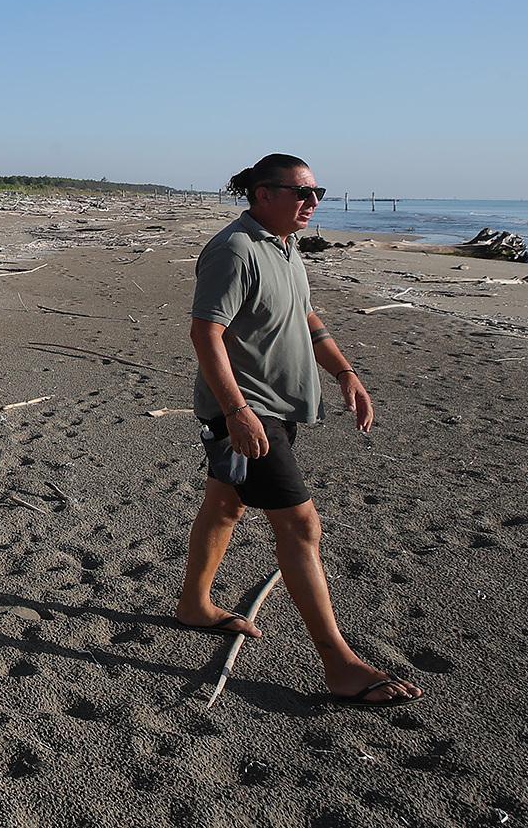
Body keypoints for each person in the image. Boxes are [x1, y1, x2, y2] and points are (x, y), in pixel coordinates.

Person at [173, 153, 425, 708]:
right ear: (263, 193)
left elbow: (307, 318)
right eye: (302, 193)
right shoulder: (235, 250)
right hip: (247, 408)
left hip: (280, 408)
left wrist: (346, 374)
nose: (313, 203)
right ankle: (339, 663)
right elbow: (205, 333)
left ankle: (194, 604)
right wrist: (237, 411)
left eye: (319, 193)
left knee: (225, 504)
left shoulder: (285, 249)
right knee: (300, 524)